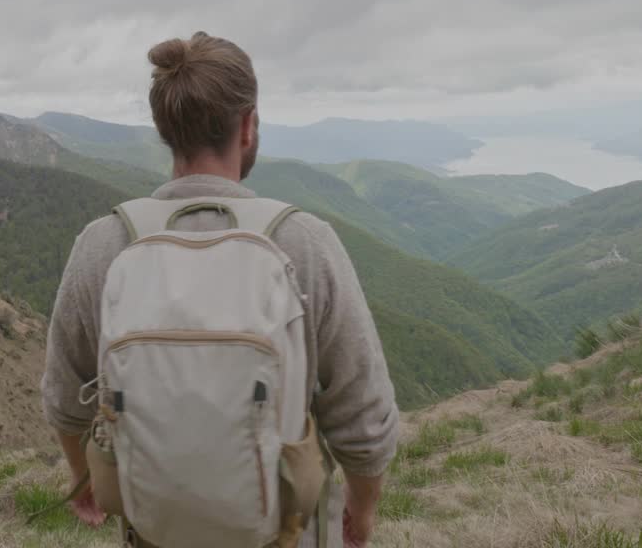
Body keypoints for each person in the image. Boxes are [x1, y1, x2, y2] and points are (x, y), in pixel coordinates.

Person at [41, 32, 398, 547]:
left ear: (164, 132)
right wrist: (362, 511)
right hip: (285, 533)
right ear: (248, 126)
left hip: (154, 532)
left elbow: (62, 398)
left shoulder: (104, 245)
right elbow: (363, 414)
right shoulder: (304, 243)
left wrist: (83, 480)